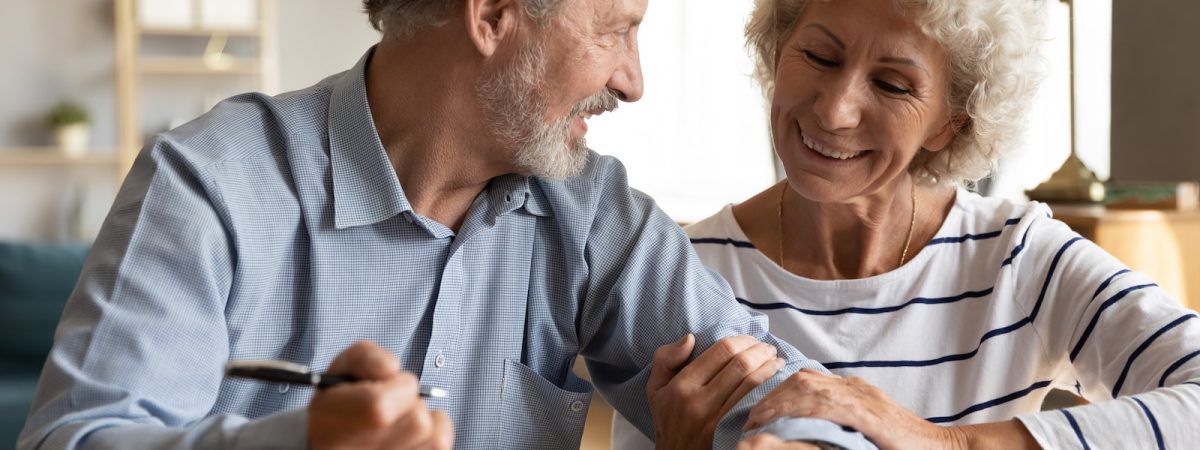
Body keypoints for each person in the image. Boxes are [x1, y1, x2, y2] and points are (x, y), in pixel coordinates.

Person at [17, 0, 877, 449]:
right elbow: (75, 441)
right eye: (616, 31)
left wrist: (792, 443)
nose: (633, 80)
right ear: (493, 14)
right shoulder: (211, 183)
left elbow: (778, 389)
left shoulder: (588, 209)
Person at [614, 0, 1200, 448]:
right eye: (819, 57)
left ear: (950, 122)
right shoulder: (680, 270)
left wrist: (947, 442)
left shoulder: (1018, 258)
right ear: (777, 48)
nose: (835, 110)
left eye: (892, 85)